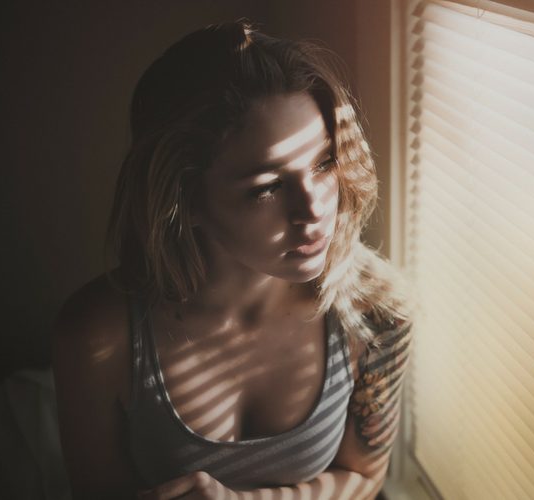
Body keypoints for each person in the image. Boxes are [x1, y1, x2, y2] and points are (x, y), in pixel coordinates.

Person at [52, 20, 413, 500]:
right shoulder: (100, 336)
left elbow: (366, 477)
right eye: (267, 187)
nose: (315, 210)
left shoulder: (376, 309)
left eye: (324, 163)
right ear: (185, 198)